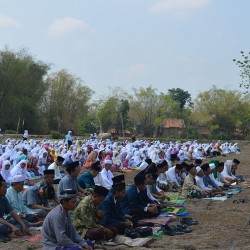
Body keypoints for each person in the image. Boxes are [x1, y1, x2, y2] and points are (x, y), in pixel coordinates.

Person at [0, 175, 30, 242]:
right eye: (4, 187)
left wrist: (23, 225)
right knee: (2, 227)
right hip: (1, 224)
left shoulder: (3, 198)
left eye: (6, 187)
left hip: (3, 222)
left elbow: (12, 212)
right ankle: (8, 234)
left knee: (25, 222)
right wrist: (12, 226)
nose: (6, 189)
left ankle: (8, 233)